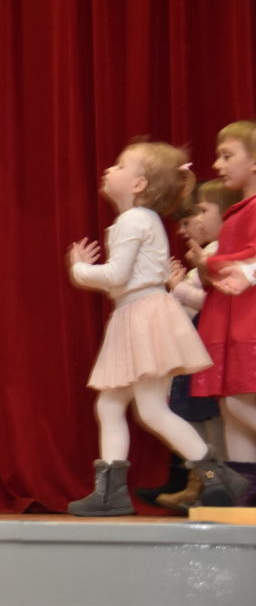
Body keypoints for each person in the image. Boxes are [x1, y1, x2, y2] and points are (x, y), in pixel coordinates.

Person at [66, 140, 247, 516]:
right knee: (113, 404)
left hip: (142, 316)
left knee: (147, 409)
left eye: (120, 165)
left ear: (138, 184)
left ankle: (216, 476)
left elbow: (116, 277)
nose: (109, 170)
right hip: (137, 314)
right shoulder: (137, 220)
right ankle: (115, 491)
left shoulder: (133, 220)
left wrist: (79, 269)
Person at [139, 180, 238, 509]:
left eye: (202, 211)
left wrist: (178, 287)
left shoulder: (217, 253)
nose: (190, 224)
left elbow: (213, 302)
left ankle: (215, 483)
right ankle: (206, 484)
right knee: (199, 421)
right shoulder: (211, 252)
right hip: (197, 347)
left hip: (205, 349)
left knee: (208, 422)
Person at [187, 121, 256, 507]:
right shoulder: (238, 211)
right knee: (231, 406)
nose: (217, 164)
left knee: (241, 402)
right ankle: (247, 492)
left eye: (227, 156)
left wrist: (219, 265)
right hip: (233, 318)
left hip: (249, 320)